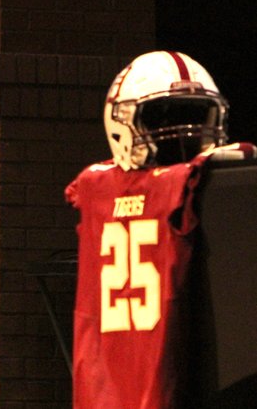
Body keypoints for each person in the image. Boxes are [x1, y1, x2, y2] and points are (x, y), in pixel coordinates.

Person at [66, 50, 253, 408]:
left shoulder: (93, 185)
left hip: (106, 381)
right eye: (163, 117)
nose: (184, 131)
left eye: (195, 116)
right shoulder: (183, 184)